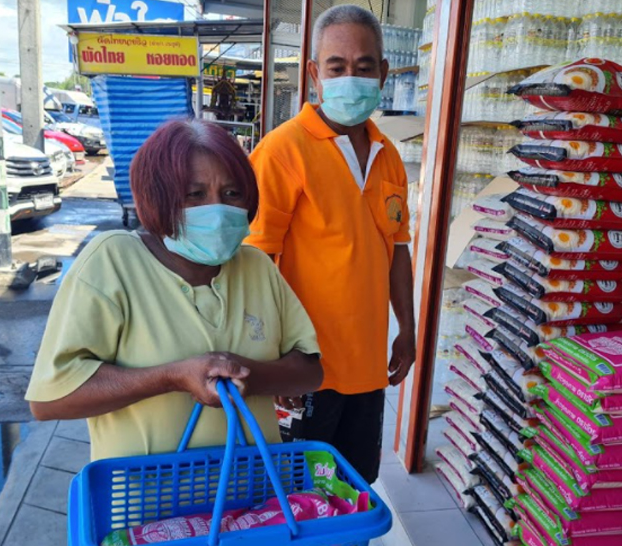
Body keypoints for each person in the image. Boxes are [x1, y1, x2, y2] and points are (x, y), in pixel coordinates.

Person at [25, 119, 323, 461]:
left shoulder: (256, 266)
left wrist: (244, 374)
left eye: (232, 194)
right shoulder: (113, 260)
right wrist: (171, 378)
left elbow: (309, 371)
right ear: (157, 197)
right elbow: (50, 399)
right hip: (144, 490)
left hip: (255, 489)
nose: (217, 210)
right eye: (195, 195)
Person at [245, 4, 415, 484]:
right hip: (305, 369)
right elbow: (255, 261)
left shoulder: (388, 155)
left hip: (367, 368)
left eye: (364, 66)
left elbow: (398, 248)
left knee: (355, 486)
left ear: (383, 73)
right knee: (299, 493)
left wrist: (408, 327)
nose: (351, 79)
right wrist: (273, 359)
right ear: (315, 73)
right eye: (337, 67)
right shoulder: (283, 151)